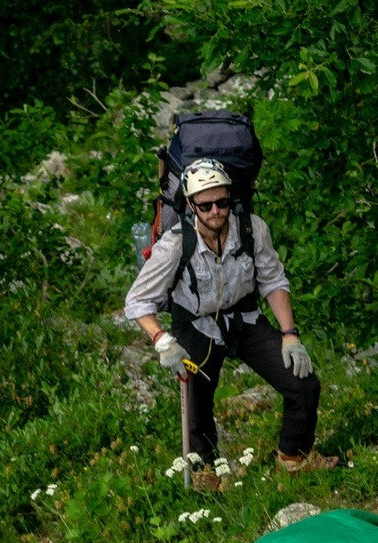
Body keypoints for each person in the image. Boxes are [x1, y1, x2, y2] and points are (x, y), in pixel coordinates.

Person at [124, 158, 328, 474]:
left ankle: (294, 457)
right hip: (195, 323)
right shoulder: (175, 245)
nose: (216, 211)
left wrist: (290, 334)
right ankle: (207, 473)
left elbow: (273, 280)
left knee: (302, 384)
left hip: (244, 318)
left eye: (222, 202)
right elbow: (137, 301)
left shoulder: (252, 229)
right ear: (191, 204)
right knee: (197, 407)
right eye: (205, 206)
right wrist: (162, 339)